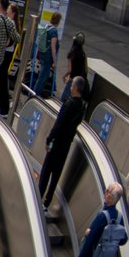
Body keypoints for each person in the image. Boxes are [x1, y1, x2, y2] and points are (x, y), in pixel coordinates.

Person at [40, 76, 91, 210]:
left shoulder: (69, 104)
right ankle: (46, 202)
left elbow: (59, 124)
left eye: (72, 84)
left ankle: (38, 196)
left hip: (56, 143)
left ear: (76, 88)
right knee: (56, 174)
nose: (70, 87)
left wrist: (49, 139)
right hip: (66, 144)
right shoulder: (82, 107)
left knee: (46, 171)